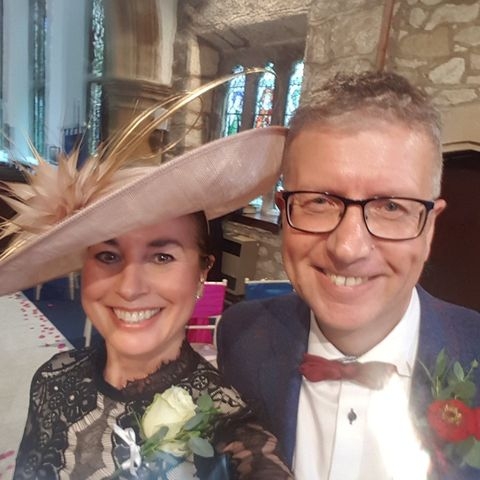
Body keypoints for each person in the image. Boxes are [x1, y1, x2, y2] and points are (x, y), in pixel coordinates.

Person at [0, 89, 292, 479]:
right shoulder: (52, 380)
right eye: (108, 256)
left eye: (161, 257)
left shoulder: (230, 426)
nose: (130, 287)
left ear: (203, 271)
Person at [217, 70, 480, 480]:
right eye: (319, 202)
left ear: (429, 228)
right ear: (284, 212)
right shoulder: (241, 338)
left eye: (391, 206)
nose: (347, 248)